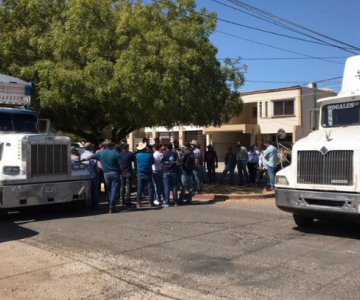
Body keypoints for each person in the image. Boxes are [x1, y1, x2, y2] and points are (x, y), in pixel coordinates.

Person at [83, 140, 121, 213]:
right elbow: (121, 166)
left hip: (106, 173)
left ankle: (110, 205)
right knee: (114, 190)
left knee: (109, 190)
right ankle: (112, 206)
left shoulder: (101, 153)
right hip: (115, 173)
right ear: (112, 146)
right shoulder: (115, 153)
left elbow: (90, 157)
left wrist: (83, 159)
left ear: (105, 146)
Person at [135, 142, 155, 208]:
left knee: (139, 188)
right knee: (150, 187)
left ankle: (138, 203)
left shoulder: (137, 155)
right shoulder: (150, 155)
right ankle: (151, 202)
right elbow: (152, 162)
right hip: (148, 172)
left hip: (140, 173)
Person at [80, 142, 99, 209]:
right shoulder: (91, 154)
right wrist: (97, 173)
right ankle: (94, 205)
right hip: (92, 175)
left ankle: (86, 204)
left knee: (86, 191)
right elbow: (94, 166)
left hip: (84, 174)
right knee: (94, 190)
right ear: (91, 147)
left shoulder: (82, 155)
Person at [118, 143, 134, 208]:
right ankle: (128, 201)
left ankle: (121, 200)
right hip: (128, 171)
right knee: (128, 187)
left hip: (121, 172)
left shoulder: (119, 154)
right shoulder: (130, 154)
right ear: (127, 147)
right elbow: (133, 160)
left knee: (121, 187)